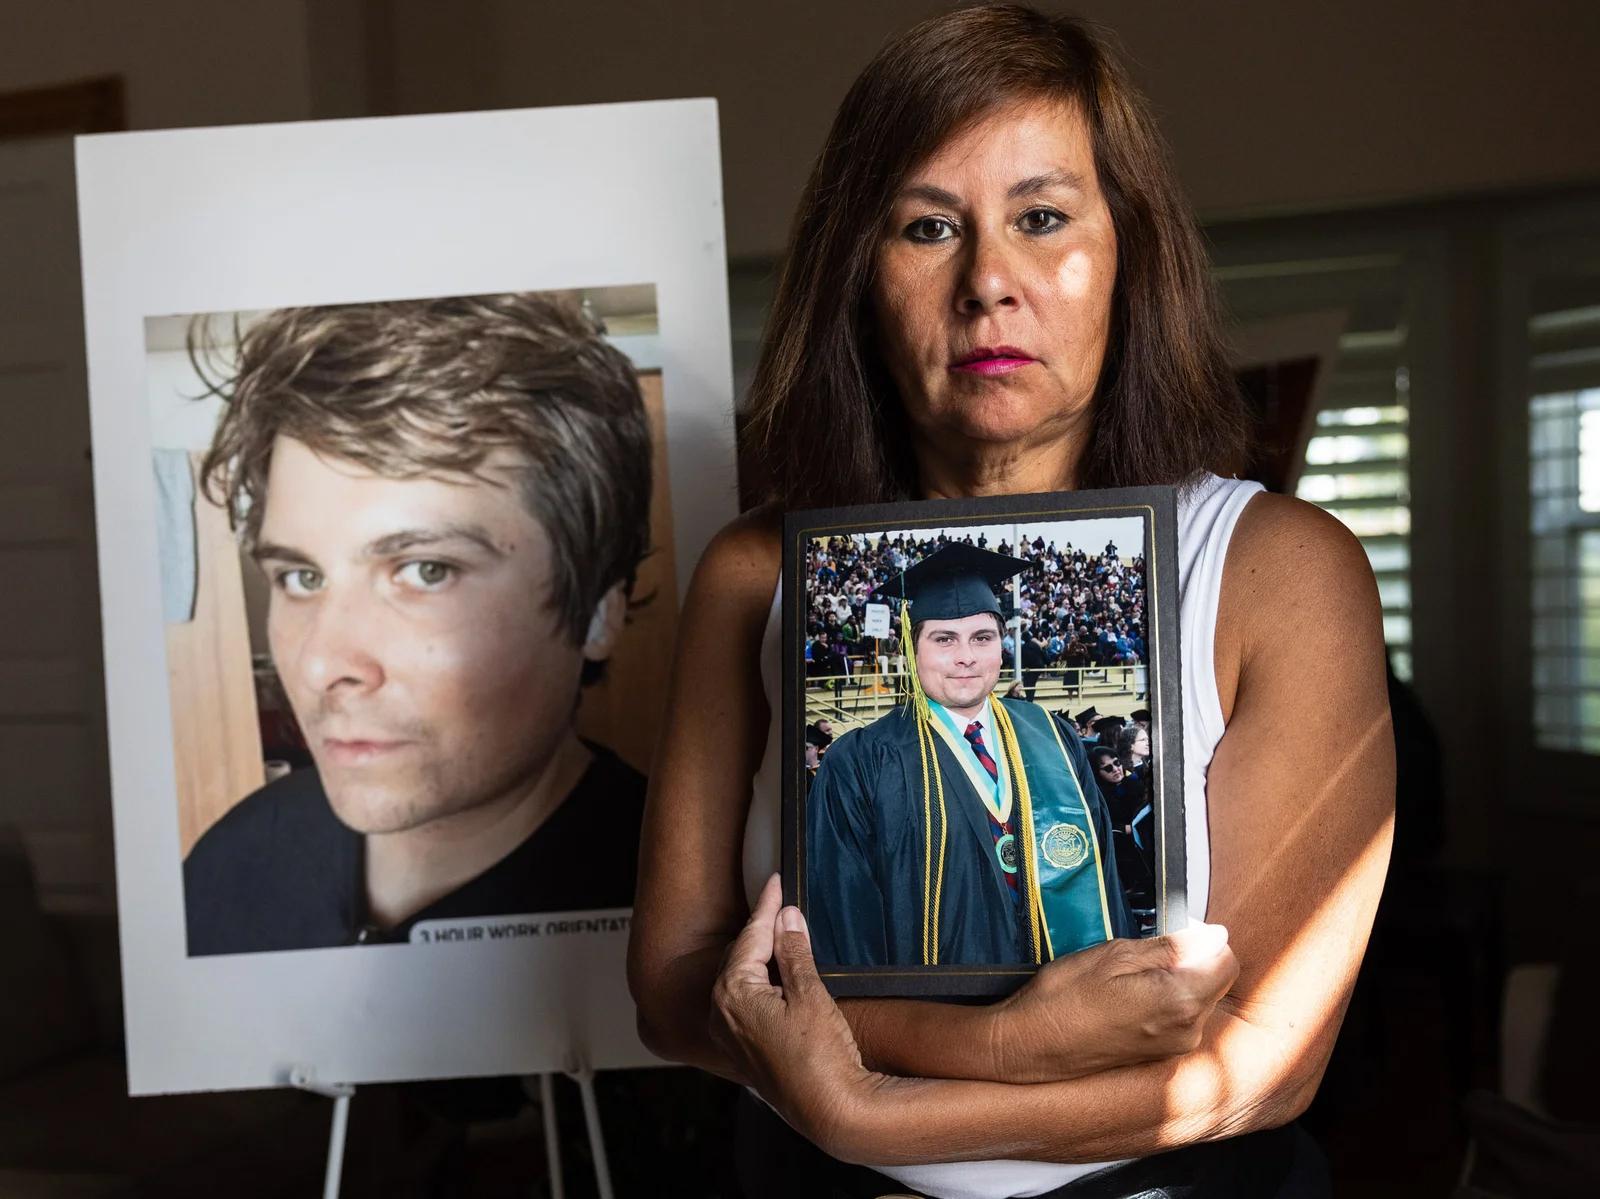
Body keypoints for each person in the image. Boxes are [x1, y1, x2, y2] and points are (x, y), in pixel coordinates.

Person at [630, 7, 1392, 1197]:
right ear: (857, 276)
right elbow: (679, 987)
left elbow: (1264, 1064)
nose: (990, 282)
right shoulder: (756, 576)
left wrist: (867, 1110)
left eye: (1042, 218)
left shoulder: (1275, 570)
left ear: (1127, 251)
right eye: (928, 227)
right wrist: (999, 1044)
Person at [182, 292, 652, 956]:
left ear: (600, 609)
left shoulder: (693, 910)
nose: (320, 666)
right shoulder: (226, 870)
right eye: (301, 577)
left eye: (426, 570)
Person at [806, 544, 1132, 968]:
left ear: (1001, 646)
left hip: (1063, 999)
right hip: (941, 1019)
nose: (966, 656)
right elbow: (846, 915)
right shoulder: (861, 762)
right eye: (944, 639)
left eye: (982, 638)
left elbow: (1102, 871)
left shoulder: (1052, 735)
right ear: (913, 648)